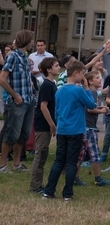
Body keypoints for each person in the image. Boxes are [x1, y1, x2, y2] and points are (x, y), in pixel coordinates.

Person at [41, 62, 101, 200]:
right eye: (82, 74)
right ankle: (67, 194)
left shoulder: (60, 90)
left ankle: (48, 191)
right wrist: (86, 88)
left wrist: (57, 124)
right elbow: (91, 105)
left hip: (62, 129)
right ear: (75, 74)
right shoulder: (78, 90)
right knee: (71, 162)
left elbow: (56, 111)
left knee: (58, 160)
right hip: (76, 130)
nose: (83, 77)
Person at [0, 30, 36, 173]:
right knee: (11, 134)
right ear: (26, 40)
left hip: (29, 101)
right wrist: (15, 95)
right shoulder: (13, 57)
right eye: (32, 40)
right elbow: (2, 79)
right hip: (17, 102)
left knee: (24, 134)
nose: (33, 42)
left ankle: (17, 164)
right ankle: (2, 165)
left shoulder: (25, 57)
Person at [29, 57, 60, 192]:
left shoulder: (53, 84)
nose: (59, 67)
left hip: (48, 123)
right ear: (49, 69)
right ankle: (35, 186)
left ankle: (37, 184)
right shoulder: (47, 85)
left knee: (44, 154)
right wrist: (51, 124)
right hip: (43, 124)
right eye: (56, 65)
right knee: (40, 154)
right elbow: (43, 106)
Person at [78, 70, 110, 186]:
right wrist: (102, 110)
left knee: (80, 155)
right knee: (95, 154)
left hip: (83, 127)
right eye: (97, 78)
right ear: (90, 81)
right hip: (90, 128)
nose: (100, 80)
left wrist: (99, 106)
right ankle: (98, 179)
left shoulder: (91, 92)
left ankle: (75, 178)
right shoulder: (92, 93)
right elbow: (90, 109)